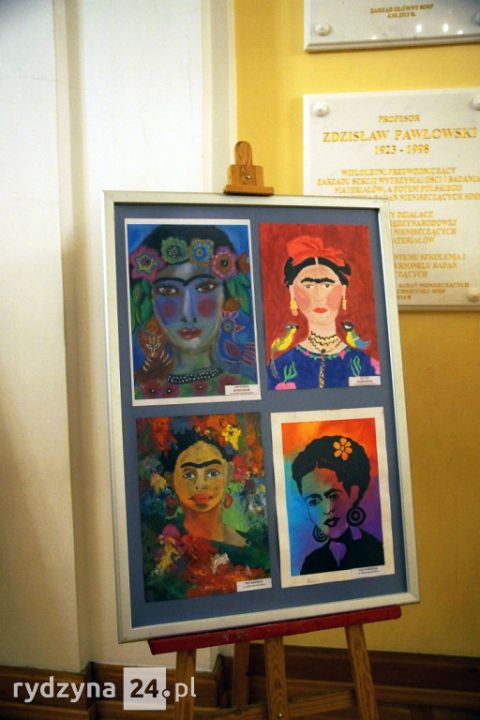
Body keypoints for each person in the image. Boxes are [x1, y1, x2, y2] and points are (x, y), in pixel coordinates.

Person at [139, 421, 270, 600]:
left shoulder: (256, 547)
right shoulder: (160, 541)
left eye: (212, 473)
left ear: (229, 473)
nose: (200, 484)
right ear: (170, 479)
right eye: (189, 474)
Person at [129, 224, 256, 399]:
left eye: (205, 288)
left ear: (227, 296)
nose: (187, 314)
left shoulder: (245, 392)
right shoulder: (139, 397)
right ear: (150, 301)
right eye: (168, 291)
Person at [267, 234, 379, 390]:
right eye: (308, 286)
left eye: (327, 285)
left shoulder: (369, 367)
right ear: (293, 293)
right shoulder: (277, 370)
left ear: (343, 291)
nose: (319, 296)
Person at [291, 434, 384, 574]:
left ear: (353, 493)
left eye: (333, 496)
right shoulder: (312, 563)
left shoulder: (376, 553)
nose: (327, 509)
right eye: (314, 501)